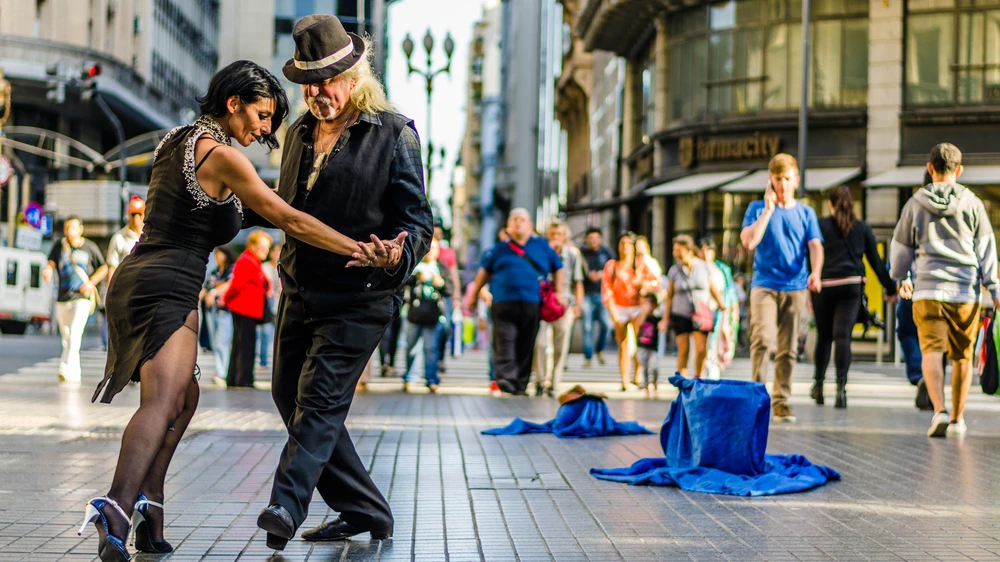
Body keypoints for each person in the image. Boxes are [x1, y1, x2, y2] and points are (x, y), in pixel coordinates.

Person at [78, 59, 400, 562]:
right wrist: (359, 249)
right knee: (163, 402)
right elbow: (288, 217)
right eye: (262, 114)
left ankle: (149, 506)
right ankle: (116, 508)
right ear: (233, 103)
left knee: (184, 398)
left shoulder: (176, 141)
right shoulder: (223, 155)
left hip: (143, 277)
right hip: (167, 283)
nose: (266, 129)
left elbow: (232, 210)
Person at [250, 16, 433, 550]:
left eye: (327, 81)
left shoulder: (394, 133)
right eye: (309, 83)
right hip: (299, 289)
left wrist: (396, 253)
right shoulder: (298, 133)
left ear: (354, 78)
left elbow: (418, 223)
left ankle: (285, 505)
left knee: (318, 401)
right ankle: (365, 509)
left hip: (360, 297)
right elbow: (289, 210)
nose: (317, 93)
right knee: (289, 394)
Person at [890, 143, 1000, 437]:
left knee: (931, 351)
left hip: (927, 291)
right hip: (965, 291)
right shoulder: (973, 203)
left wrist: (901, 277)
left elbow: (900, 248)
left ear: (930, 168)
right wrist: (994, 287)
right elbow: (986, 248)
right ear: (959, 170)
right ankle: (957, 419)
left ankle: (938, 410)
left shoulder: (915, 203)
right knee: (962, 356)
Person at [740, 153, 824, 423]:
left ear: (796, 180)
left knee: (788, 348)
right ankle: (757, 398)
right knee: (762, 339)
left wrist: (816, 273)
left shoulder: (806, 213)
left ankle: (781, 401)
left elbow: (815, 246)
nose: (783, 184)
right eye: (778, 179)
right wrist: (768, 211)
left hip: (795, 286)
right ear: (770, 181)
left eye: (787, 179)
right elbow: (749, 242)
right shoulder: (756, 208)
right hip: (764, 285)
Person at [811, 186, 897, 408]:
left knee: (824, 336)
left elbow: (810, 253)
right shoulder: (862, 228)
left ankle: (818, 386)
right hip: (851, 287)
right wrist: (891, 288)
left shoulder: (820, 226)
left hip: (825, 286)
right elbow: (876, 262)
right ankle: (841, 389)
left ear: (830, 204)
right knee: (843, 337)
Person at [465, 208, 564, 395]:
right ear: (509, 226)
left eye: (522, 219)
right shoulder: (499, 249)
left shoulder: (542, 246)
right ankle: (506, 379)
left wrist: (559, 292)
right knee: (504, 340)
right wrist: (473, 296)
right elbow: (484, 273)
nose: (518, 222)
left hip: (531, 302)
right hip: (503, 302)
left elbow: (558, 267)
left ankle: (521, 382)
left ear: (530, 225)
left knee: (527, 343)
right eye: (515, 219)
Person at [42, 216, 108, 387]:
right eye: (66, 228)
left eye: (72, 227)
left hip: (82, 298)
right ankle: (75, 372)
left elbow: (103, 267)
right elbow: (51, 263)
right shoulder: (59, 246)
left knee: (75, 334)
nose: (69, 231)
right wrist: (47, 271)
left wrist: (90, 283)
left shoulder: (89, 247)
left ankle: (64, 367)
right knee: (66, 337)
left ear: (80, 229)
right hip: (63, 297)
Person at [532, 220, 584, 397]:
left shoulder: (572, 255)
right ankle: (539, 380)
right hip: (543, 304)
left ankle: (554, 383)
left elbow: (578, 282)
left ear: (564, 237)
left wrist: (577, 305)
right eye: (552, 234)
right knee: (539, 343)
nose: (555, 237)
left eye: (558, 234)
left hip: (563, 304)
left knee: (560, 347)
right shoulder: (540, 254)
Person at [602, 232, 659, 390]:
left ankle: (638, 375)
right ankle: (625, 380)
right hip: (619, 307)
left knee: (639, 343)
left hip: (637, 308)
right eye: (622, 243)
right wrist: (613, 312)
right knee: (623, 345)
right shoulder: (612, 265)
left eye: (628, 244)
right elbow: (607, 289)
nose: (625, 247)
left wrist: (645, 286)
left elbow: (655, 282)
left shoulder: (641, 264)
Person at [663, 235, 726, 378]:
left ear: (688, 250)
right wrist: (665, 318)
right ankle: (682, 381)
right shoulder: (674, 270)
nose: (675, 253)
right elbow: (669, 296)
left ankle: (698, 378)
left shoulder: (704, 267)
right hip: (680, 312)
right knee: (683, 349)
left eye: (678, 250)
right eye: (674, 250)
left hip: (701, 313)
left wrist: (722, 305)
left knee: (701, 348)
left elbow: (713, 288)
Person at [223, 230, 272, 388]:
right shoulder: (247, 261)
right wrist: (226, 300)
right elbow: (236, 285)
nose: (265, 250)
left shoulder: (253, 261)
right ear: (252, 245)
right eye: (262, 247)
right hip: (244, 310)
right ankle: (243, 379)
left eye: (267, 247)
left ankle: (236, 379)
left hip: (247, 310)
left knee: (241, 344)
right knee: (246, 345)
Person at [403, 238, 447, 393]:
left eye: (434, 247)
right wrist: (416, 278)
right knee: (411, 347)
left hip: (433, 315)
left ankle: (432, 379)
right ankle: (410, 377)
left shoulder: (441, 268)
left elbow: (450, 289)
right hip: (414, 313)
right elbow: (402, 282)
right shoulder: (414, 266)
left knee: (431, 348)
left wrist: (440, 283)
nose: (430, 251)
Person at [103, 196, 146, 350]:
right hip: (125, 290)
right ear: (128, 214)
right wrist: (111, 293)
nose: (136, 218)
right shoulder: (119, 238)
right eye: (133, 214)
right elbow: (112, 267)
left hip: (146, 289)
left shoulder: (151, 236)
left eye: (139, 214)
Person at [698, 238, 739, 379]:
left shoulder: (722, 269)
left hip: (719, 311)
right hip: (701, 311)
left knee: (716, 344)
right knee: (702, 346)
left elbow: (730, 291)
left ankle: (713, 375)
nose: (706, 253)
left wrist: (734, 310)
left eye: (708, 250)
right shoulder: (697, 268)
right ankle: (702, 375)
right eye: (703, 250)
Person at [580, 228, 615, 367]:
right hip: (586, 293)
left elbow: (614, 269)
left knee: (607, 325)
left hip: (602, 293)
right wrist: (587, 275)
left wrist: (602, 275)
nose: (593, 241)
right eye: (590, 238)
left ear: (600, 239)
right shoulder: (581, 253)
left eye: (595, 238)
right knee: (587, 326)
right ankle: (588, 356)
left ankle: (599, 349)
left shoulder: (606, 253)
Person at [202, 246, 236, 385]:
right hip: (211, 310)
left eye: (220, 254)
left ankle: (223, 372)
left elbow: (230, 284)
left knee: (222, 341)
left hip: (225, 310)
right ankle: (219, 369)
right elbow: (205, 289)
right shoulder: (214, 273)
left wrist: (214, 292)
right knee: (215, 342)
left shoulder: (232, 270)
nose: (217, 257)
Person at [434, 224, 462, 370]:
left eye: (439, 234)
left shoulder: (448, 253)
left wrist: (457, 297)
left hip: (446, 295)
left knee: (445, 328)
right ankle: (432, 361)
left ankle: (440, 357)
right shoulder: (425, 250)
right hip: (429, 296)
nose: (437, 237)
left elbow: (454, 275)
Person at [257, 242, 281, 374]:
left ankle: (278, 363)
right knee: (265, 333)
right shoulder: (264, 267)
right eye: (274, 251)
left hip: (279, 303)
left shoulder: (285, 265)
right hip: (267, 305)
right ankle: (263, 361)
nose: (276, 254)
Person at [635, 292, 663, 398]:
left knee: (654, 366)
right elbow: (638, 325)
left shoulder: (657, 317)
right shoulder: (641, 315)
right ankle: (646, 385)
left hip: (653, 347)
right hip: (642, 346)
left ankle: (655, 382)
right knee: (645, 367)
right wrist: (644, 313)